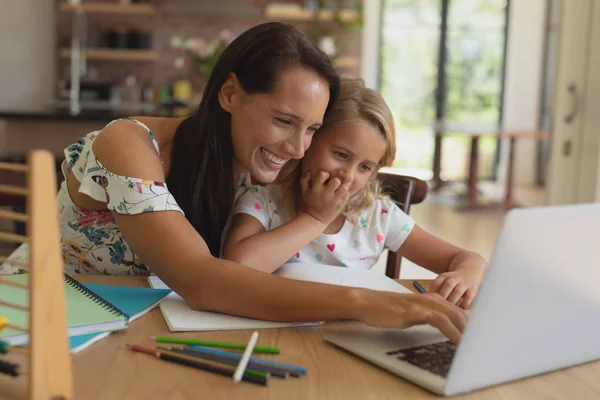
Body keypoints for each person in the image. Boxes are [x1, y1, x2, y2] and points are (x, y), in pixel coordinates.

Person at [0, 23, 466, 342]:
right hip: (42, 319)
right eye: (284, 120)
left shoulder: (264, 166)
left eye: (311, 130)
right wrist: (363, 301)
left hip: (145, 323)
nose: (298, 149)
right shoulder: (129, 144)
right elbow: (203, 281)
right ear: (229, 93)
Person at [224, 78, 486, 309]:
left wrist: (467, 273)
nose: (347, 176)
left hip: (349, 331)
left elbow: (465, 258)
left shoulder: (378, 217)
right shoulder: (265, 199)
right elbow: (236, 267)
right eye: (340, 155)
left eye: (364, 167)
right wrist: (316, 217)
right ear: (310, 139)